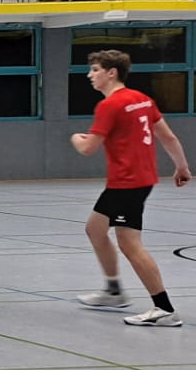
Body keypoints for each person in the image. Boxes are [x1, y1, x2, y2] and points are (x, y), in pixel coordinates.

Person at [72, 50, 193, 327]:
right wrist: (182, 167)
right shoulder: (142, 100)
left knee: (130, 244)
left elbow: (88, 148)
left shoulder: (109, 106)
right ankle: (114, 291)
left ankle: (163, 308)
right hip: (138, 180)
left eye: (95, 70)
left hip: (127, 183)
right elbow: (169, 137)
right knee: (95, 228)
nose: (90, 75)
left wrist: (75, 138)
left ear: (111, 73)